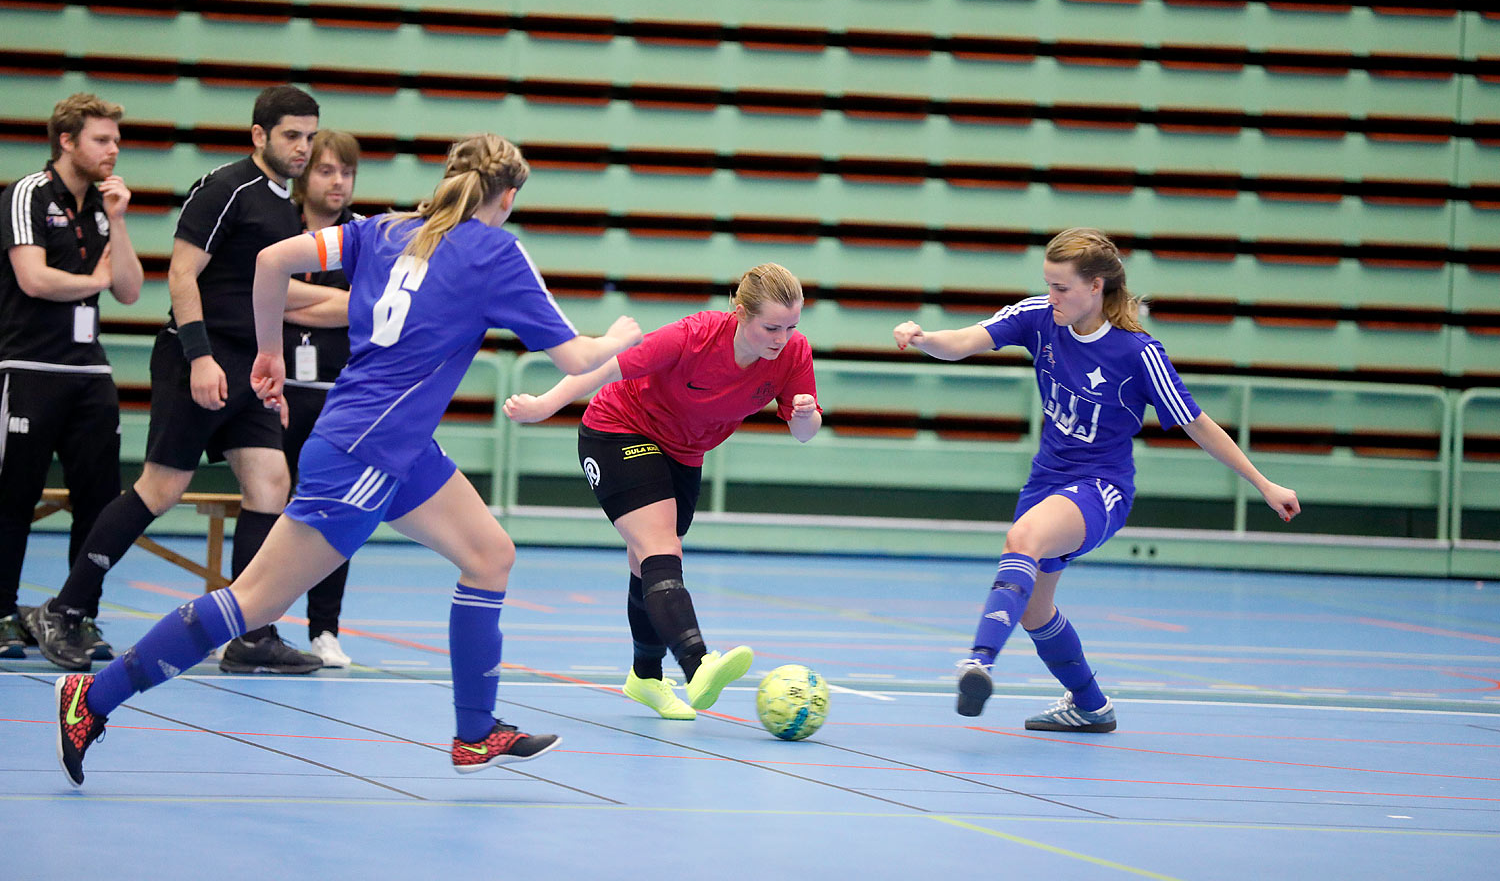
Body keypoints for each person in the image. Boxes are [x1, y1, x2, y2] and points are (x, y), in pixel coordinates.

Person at [50, 132, 642, 786]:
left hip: (400, 448)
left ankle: (476, 733)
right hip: (363, 454)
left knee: (489, 555)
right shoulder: (495, 252)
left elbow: (273, 260)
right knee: (253, 602)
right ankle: (91, 700)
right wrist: (621, 335)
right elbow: (579, 361)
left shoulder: (382, 230)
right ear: (505, 197)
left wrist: (269, 351)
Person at [893, 228, 1301, 732]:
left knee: (1022, 538)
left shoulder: (1137, 354)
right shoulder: (1039, 317)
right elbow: (963, 343)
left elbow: (1198, 424)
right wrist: (925, 338)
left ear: (1097, 287)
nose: (1053, 296)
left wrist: (1264, 484)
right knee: (1036, 612)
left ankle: (979, 662)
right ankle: (1091, 705)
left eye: (1062, 287)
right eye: (1049, 284)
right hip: (1046, 482)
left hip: (1100, 489)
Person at [26, 85, 337, 675]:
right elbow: (182, 274)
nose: (303, 148)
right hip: (195, 358)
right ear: (259, 136)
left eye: (309, 136)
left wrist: (364, 304)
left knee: (271, 485)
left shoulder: (281, 206)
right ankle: (65, 609)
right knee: (161, 489)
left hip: (247, 370)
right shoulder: (225, 188)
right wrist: (199, 357)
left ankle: (251, 633)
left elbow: (282, 297)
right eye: (292, 136)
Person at [504, 264, 821, 720]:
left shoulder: (793, 353)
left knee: (647, 562)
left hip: (685, 454)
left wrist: (805, 413)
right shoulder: (693, 335)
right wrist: (543, 406)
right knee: (660, 546)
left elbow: (804, 434)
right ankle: (698, 665)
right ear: (740, 313)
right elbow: (605, 366)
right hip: (619, 428)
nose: (781, 337)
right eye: (771, 327)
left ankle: (646, 678)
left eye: (791, 327)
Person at [0, 93, 144, 661]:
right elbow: (33, 279)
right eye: (101, 140)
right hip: (29, 365)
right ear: (67, 141)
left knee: (98, 500)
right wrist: (94, 280)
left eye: (115, 140)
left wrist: (122, 222)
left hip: (89, 370)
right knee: (14, 495)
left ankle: (76, 614)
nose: (113, 150)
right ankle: (4, 610)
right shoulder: (26, 195)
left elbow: (129, 290)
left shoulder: (106, 206)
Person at [281, 130, 362, 668]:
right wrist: (335, 301)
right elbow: (258, 293)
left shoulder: (361, 237)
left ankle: (324, 627)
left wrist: (293, 301)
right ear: (304, 174)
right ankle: (255, 624)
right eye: (327, 171)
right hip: (277, 391)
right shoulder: (277, 227)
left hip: (339, 393)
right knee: (273, 505)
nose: (338, 182)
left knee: (338, 511)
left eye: (347, 173)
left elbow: (366, 307)